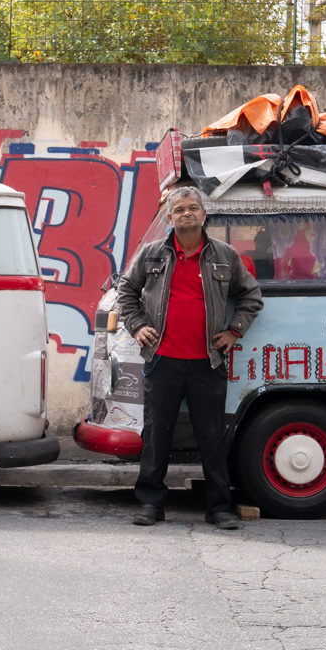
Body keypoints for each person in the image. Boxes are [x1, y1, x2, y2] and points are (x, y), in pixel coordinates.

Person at [115, 185, 263, 528]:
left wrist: (234, 331)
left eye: (193, 207)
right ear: (170, 217)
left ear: (204, 214)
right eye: (179, 209)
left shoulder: (224, 254)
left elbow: (251, 296)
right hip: (162, 360)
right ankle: (151, 503)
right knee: (156, 436)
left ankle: (219, 508)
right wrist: (137, 327)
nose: (187, 213)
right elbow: (126, 291)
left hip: (206, 363)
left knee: (211, 437)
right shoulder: (153, 254)